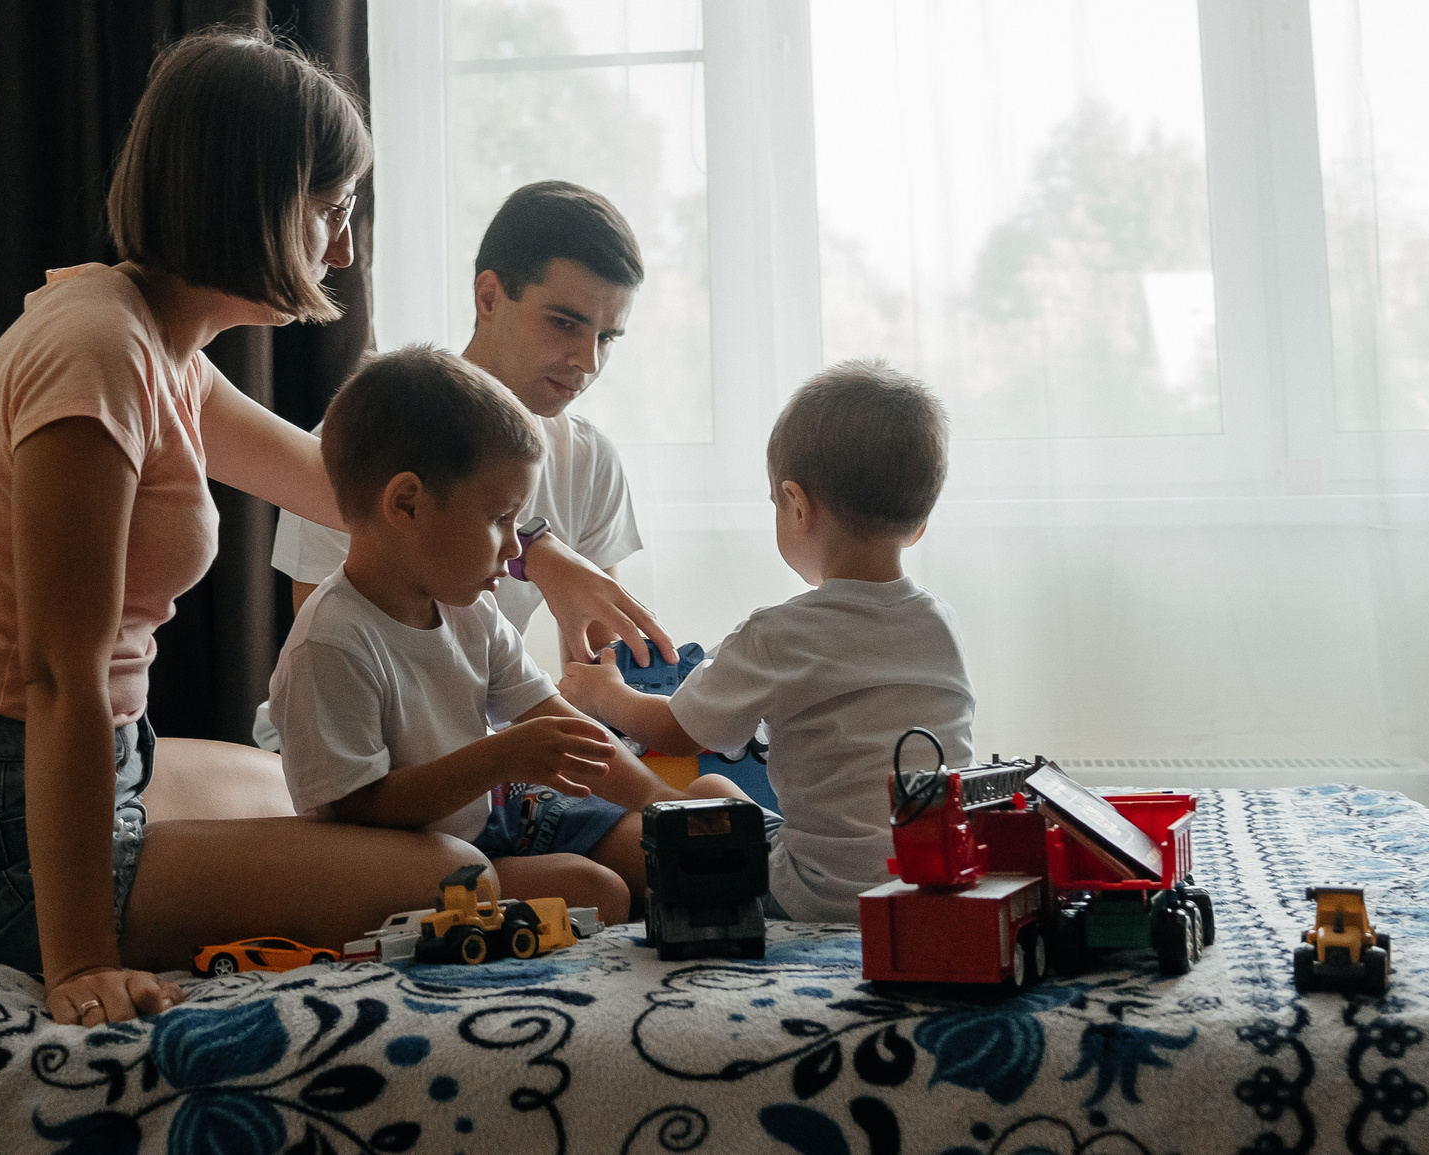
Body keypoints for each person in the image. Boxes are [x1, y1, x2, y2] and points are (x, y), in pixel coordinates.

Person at [0, 27, 486, 1030]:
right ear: (253, 196)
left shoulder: (162, 351)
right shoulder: (94, 352)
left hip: (98, 763)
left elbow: (349, 491)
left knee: (320, 795)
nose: (345, 247)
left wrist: (542, 553)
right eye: (329, 209)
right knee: (454, 876)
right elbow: (58, 674)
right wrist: (79, 965)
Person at [269, 348, 743, 923]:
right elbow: (356, 807)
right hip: (394, 857)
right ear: (407, 504)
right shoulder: (333, 642)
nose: (518, 549)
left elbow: (560, 722)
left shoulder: (472, 610)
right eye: (500, 519)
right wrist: (498, 758)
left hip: (490, 821)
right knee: (601, 893)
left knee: (683, 826)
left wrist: (656, 801)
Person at [257, 183, 675, 767]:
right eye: (564, 324)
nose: (589, 361)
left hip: (500, 761)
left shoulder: (590, 459)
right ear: (488, 296)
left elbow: (598, 669)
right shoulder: (365, 439)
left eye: (606, 337)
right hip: (351, 756)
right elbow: (327, 656)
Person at [559, 360, 974, 923]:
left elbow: (676, 733)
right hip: (934, 880)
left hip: (820, 893)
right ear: (918, 524)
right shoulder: (939, 623)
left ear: (797, 506)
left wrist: (605, 694)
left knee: (709, 784)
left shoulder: (778, 634)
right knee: (727, 791)